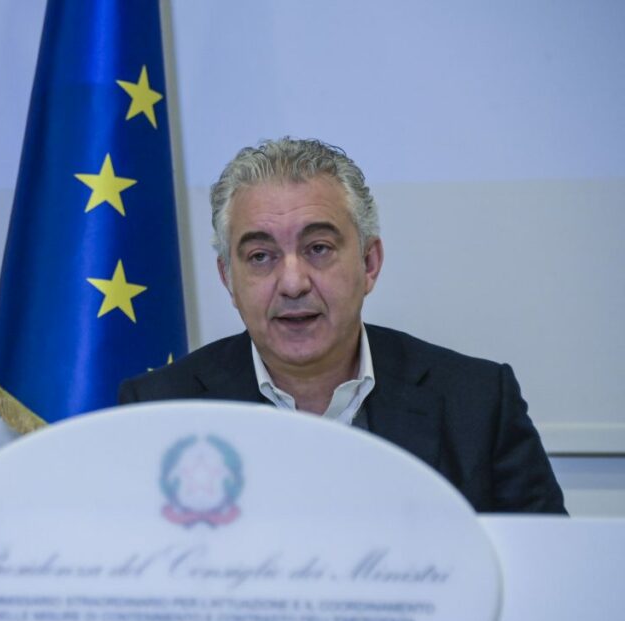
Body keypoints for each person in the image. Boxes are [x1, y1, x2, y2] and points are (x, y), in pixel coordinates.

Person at [119, 138, 565, 513]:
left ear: (369, 263)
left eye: (318, 248)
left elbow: (543, 573)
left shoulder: (477, 403)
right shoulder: (159, 409)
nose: (292, 283)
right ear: (228, 279)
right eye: (260, 256)